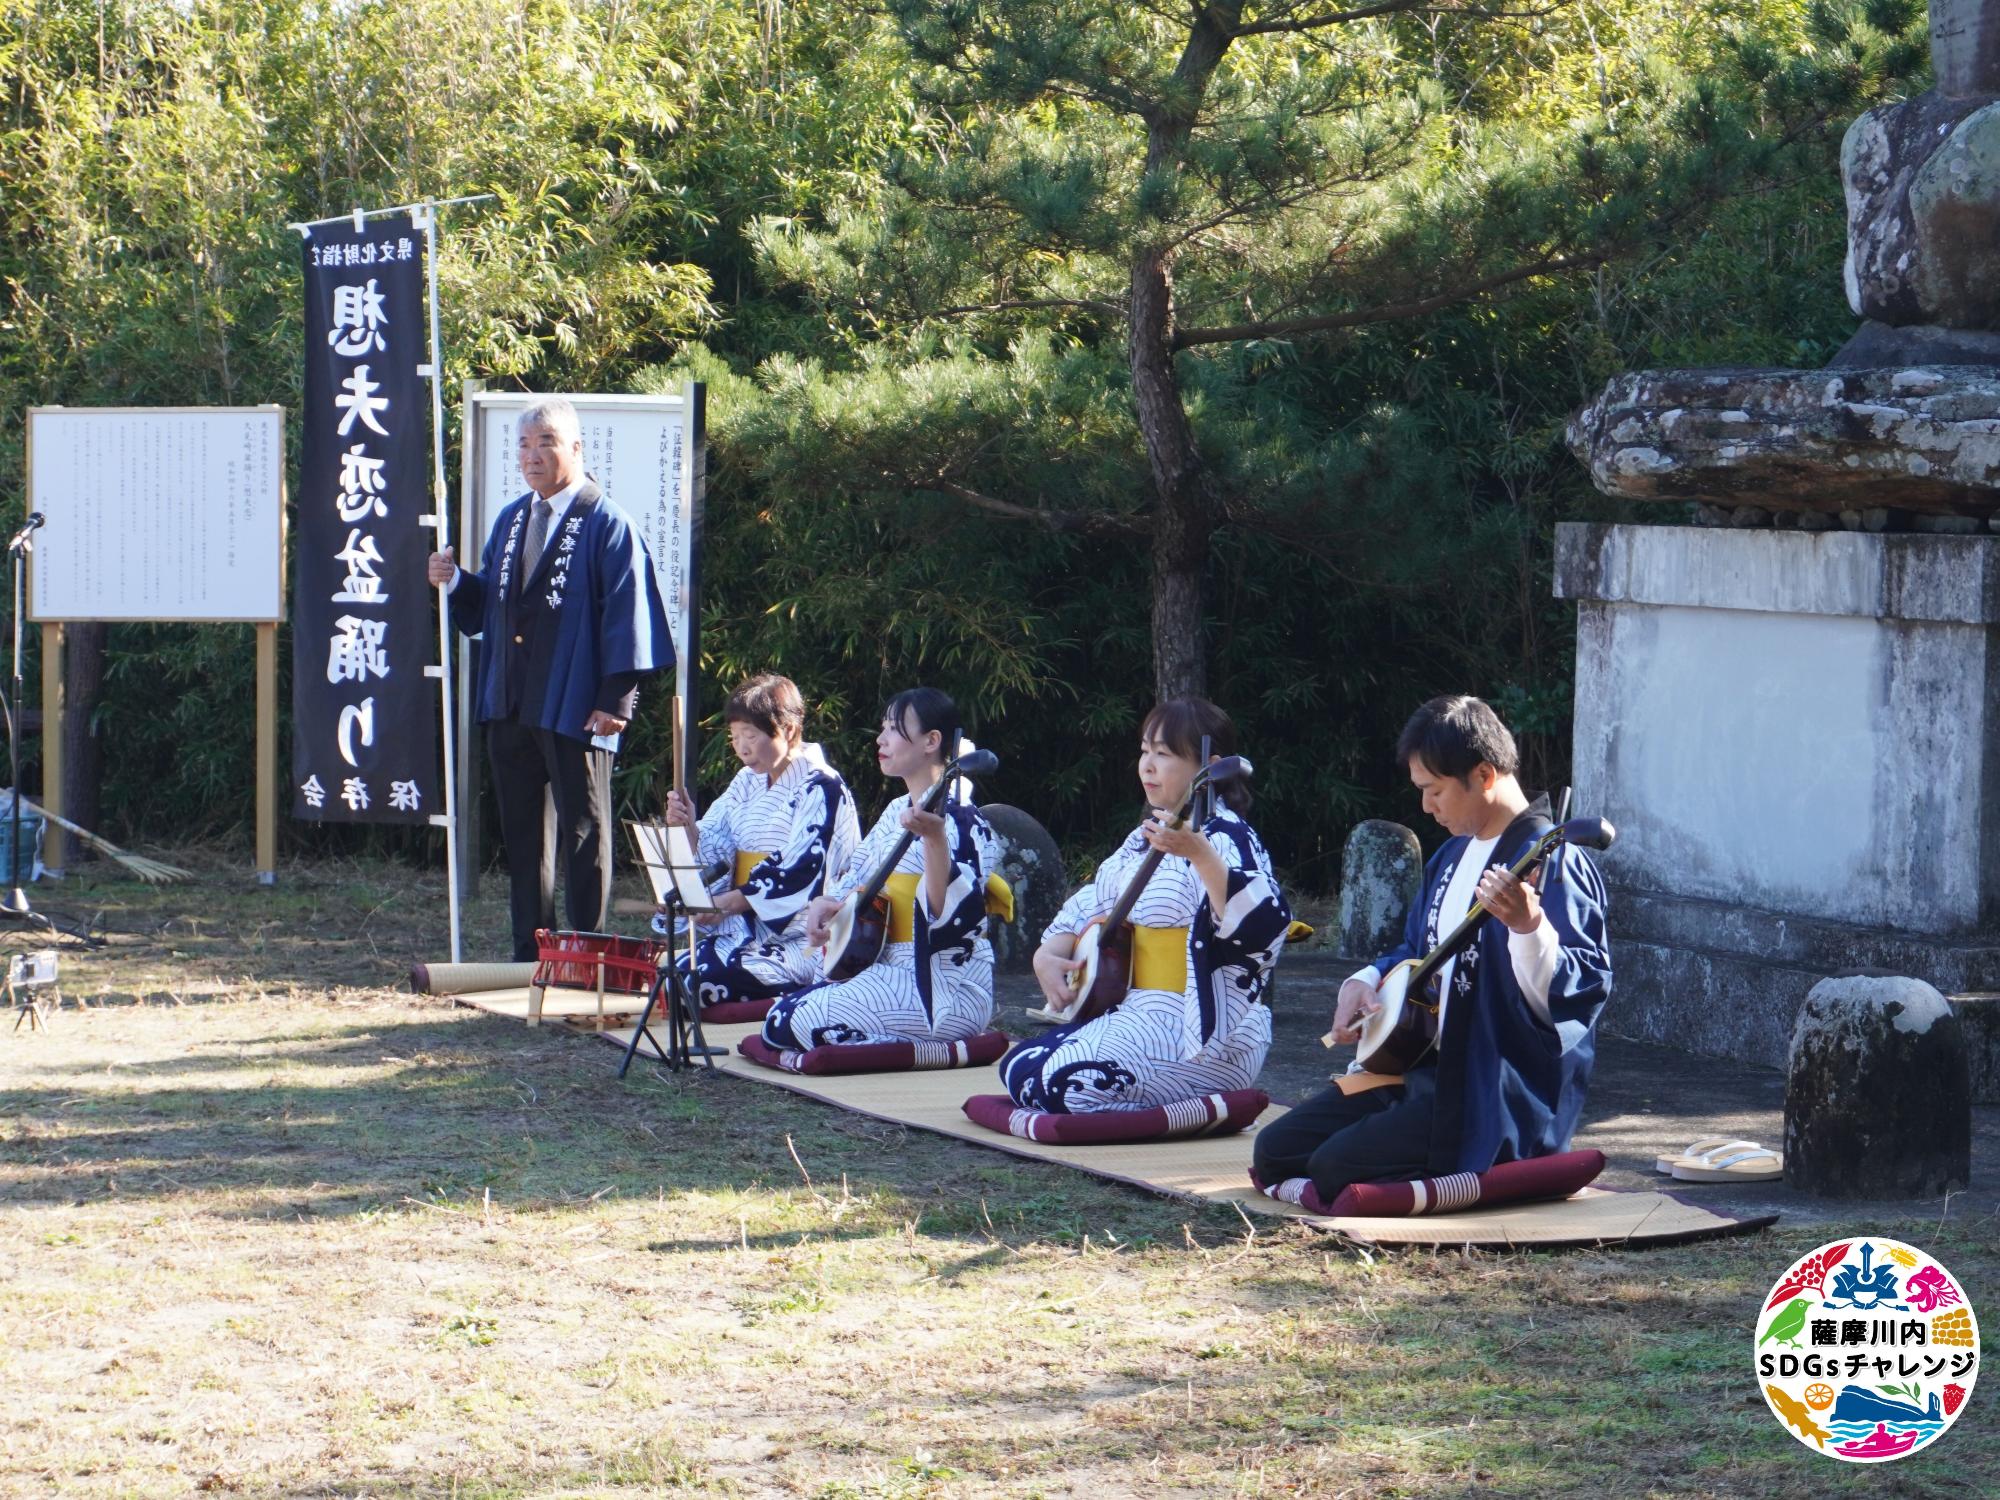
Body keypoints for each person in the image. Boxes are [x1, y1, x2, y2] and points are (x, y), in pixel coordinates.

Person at [1251, 695, 1613, 1201]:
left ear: (1484, 775)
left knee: (1337, 1167)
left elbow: (1583, 987)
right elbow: (1415, 949)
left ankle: (1501, 1165)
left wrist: (1530, 927)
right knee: (1276, 1150)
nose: (1426, 806)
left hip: (1495, 1087)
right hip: (1420, 1071)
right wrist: (1365, 982)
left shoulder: (1556, 862)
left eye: (1434, 790)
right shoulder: (1450, 854)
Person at [428, 397, 670, 962]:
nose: (532, 456)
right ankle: (530, 954)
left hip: (576, 702)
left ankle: (585, 952)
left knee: (584, 832)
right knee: (523, 835)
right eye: (524, 445)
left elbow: (628, 613)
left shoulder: (608, 523)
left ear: (576, 449)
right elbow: (492, 600)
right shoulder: (513, 519)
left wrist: (617, 698)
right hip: (511, 697)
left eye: (546, 443)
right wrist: (457, 581)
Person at [998, 698, 1292, 1113]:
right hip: (1137, 1011)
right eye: (1145, 750)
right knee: (1019, 1068)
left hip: (1201, 1033)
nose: (1148, 765)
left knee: (1065, 1086)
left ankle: (1208, 1104)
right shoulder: (1143, 838)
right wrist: (1049, 953)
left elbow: (1265, 924)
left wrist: (1202, 856)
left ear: (1211, 765)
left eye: (1164, 753)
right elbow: (1091, 902)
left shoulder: (1228, 838)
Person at [762, 688, 1000, 1052]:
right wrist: (831, 904)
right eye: (884, 727)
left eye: (893, 728)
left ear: (931, 741)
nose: (880, 739)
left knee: (796, 1021)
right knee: (782, 1014)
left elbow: (953, 918)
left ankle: (927, 1047)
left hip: (942, 986)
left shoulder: (965, 822)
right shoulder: (895, 811)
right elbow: (858, 876)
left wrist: (935, 841)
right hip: (884, 968)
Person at [662, 673, 860, 1015]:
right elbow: (716, 843)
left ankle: (799, 989)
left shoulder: (822, 788)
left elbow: (801, 870)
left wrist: (731, 901)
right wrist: (689, 828)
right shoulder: (746, 781)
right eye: (735, 736)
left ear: (788, 730)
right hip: (744, 931)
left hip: (800, 939)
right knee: (668, 976)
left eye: (750, 735)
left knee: (694, 984)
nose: (741, 747)